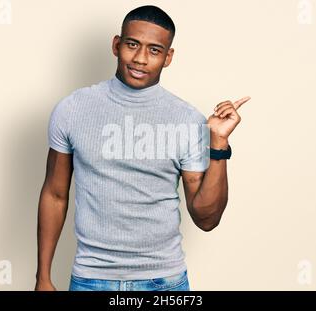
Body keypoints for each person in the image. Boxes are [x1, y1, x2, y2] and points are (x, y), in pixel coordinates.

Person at [34, 5, 250, 291]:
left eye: (154, 50)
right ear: (116, 44)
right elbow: (55, 193)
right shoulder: (72, 110)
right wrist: (43, 278)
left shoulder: (187, 120)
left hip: (164, 282)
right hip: (91, 278)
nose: (140, 59)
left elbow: (206, 218)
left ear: (168, 57)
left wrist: (218, 144)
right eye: (132, 45)